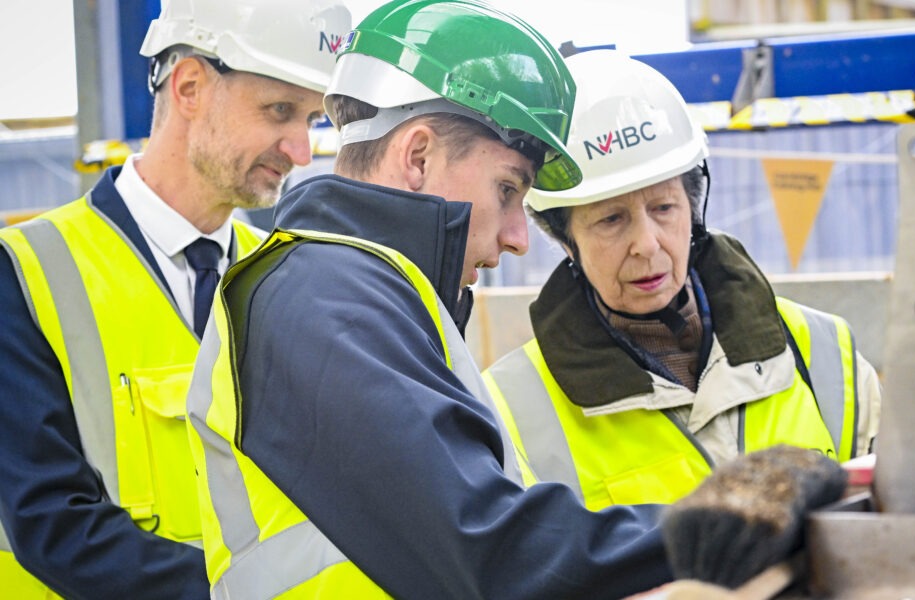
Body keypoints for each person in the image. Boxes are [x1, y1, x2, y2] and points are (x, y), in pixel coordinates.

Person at [186, 1, 851, 597]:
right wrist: (710, 526)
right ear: (418, 156)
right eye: (509, 190)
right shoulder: (320, 298)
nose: (516, 237)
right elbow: (490, 550)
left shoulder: (364, 292)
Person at [0, 0, 351, 597]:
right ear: (190, 86)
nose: (299, 150)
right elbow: (50, 522)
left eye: (313, 121)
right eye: (280, 111)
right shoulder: (26, 272)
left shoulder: (287, 272)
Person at [482, 49, 881, 511]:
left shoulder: (826, 354)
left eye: (664, 208)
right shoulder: (513, 407)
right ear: (566, 240)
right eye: (612, 219)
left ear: (693, 209)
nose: (647, 244)